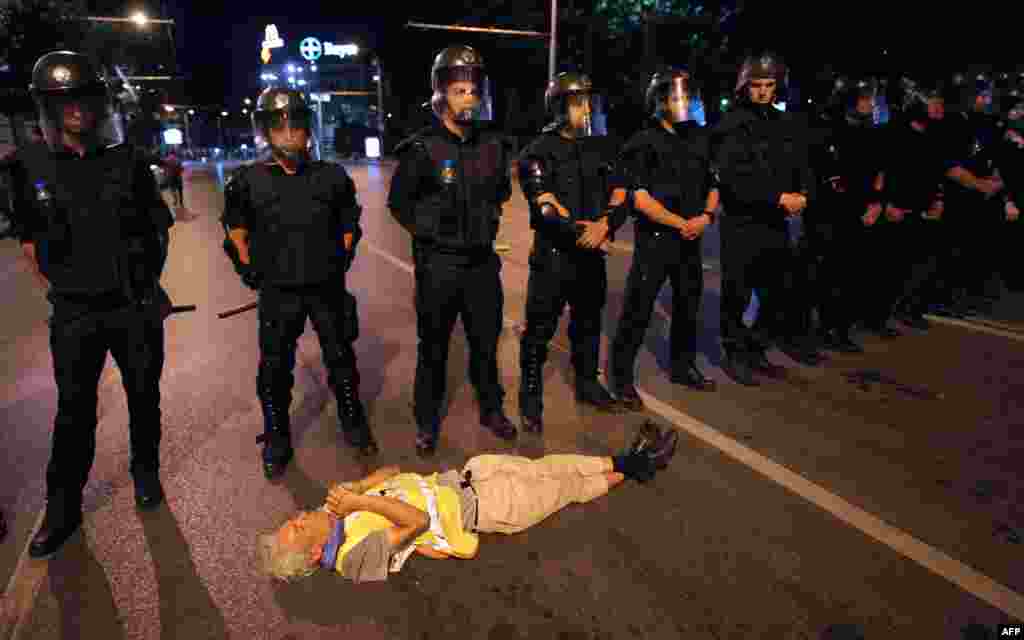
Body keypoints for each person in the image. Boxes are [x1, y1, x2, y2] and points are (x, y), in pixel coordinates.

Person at [7, 51, 173, 558]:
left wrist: (144, 288)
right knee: (74, 412)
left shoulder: (127, 160)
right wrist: (70, 289)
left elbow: (157, 232)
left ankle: (145, 473)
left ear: (97, 104)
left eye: (83, 98)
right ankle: (63, 507)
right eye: (64, 101)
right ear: (48, 108)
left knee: (144, 397)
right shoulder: (26, 166)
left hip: (134, 308)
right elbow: (31, 244)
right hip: (76, 314)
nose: (76, 109)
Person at [256, 422, 679, 582]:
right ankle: (639, 462)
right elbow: (415, 520)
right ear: (313, 554)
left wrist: (360, 487)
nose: (295, 517)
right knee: (566, 488)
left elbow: (394, 471)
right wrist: (357, 505)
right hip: (489, 508)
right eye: (294, 528)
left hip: (467, 476)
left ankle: (629, 459)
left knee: (550, 465)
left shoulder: (337, 512)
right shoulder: (352, 559)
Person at [221, 87, 377, 480]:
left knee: (341, 360)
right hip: (278, 293)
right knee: (274, 369)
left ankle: (353, 421)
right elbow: (236, 231)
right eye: (279, 127)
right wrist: (251, 272)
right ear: (267, 132)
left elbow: (348, 225)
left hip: (327, 289)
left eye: (295, 125)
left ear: (308, 129)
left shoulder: (331, 176)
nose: (289, 134)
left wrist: (338, 261)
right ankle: (276, 434)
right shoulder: (248, 180)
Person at [387, 45, 517, 455]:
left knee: (485, 342)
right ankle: (426, 419)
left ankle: (491, 409)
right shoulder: (421, 149)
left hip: (481, 264)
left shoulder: (493, 145)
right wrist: (431, 232)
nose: (468, 98)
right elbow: (399, 204)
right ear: (441, 94)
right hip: (439, 266)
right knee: (434, 347)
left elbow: (501, 192)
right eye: (460, 90)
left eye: (473, 90)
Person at [516, 72, 628, 432]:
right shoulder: (537, 152)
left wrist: (606, 226)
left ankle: (587, 384)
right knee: (539, 330)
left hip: (591, 257)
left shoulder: (602, 147)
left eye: (588, 102)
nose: (587, 109)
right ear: (559, 107)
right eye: (579, 102)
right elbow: (544, 208)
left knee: (589, 324)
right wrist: (586, 231)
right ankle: (530, 396)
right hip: (553, 258)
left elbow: (621, 193)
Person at [610, 67, 719, 410]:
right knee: (637, 309)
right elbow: (639, 197)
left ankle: (682, 366)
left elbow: (713, 184)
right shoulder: (642, 142)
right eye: (674, 97)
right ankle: (622, 377)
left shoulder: (699, 139)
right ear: (659, 101)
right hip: (657, 239)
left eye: (686, 96)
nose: (682, 103)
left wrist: (706, 217)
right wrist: (679, 223)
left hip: (691, 237)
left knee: (689, 303)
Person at [711, 52, 816, 386]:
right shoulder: (731, 124)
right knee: (737, 294)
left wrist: (804, 194)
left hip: (775, 222)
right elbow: (732, 178)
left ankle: (756, 349)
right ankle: (734, 353)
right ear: (745, 86)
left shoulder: (785, 123)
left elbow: (802, 165)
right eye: (756, 85)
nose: (763, 91)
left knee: (777, 292)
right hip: (742, 221)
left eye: (769, 85)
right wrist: (776, 197)